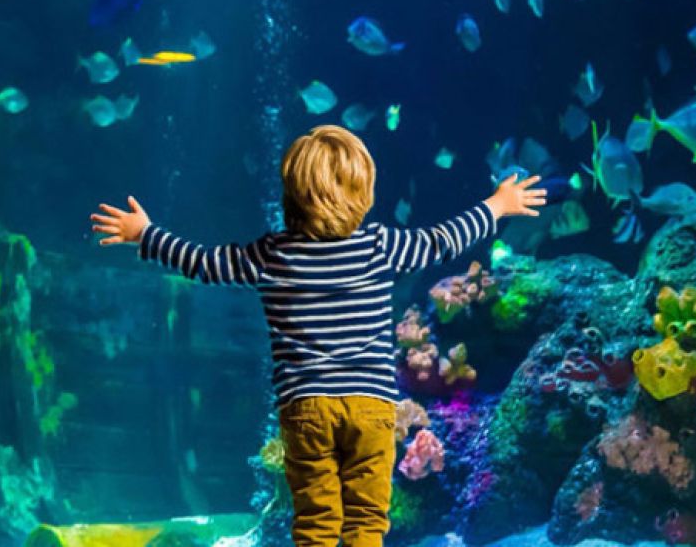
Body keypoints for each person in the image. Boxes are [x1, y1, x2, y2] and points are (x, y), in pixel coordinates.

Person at [88, 125, 545, 547]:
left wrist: (146, 234)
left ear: (292, 195)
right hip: (371, 406)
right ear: (363, 194)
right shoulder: (380, 246)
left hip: (306, 407)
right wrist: (498, 205)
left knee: (315, 522)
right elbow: (445, 238)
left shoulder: (271, 253)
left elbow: (204, 263)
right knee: (367, 521)